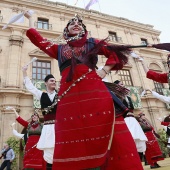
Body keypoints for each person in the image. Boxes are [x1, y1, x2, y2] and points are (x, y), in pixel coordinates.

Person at [24, 10, 131, 170]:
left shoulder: (92, 42)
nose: (76, 24)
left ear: (83, 29)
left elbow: (115, 52)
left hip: (94, 92)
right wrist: (31, 18)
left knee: (100, 129)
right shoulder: (59, 49)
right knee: (70, 134)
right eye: (72, 23)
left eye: (79, 24)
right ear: (66, 30)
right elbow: (39, 41)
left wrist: (105, 70)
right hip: (69, 97)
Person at [22, 66, 57, 170]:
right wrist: (24, 73)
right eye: (51, 81)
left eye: (55, 81)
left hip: (58, 127)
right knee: (48, 155)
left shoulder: (60, 94)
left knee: (59, 152)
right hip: (47, 128)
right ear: (45, 83)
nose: (54, 82)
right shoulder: (41, 95)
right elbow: (30, 87)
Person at [113, 80, 148, 161]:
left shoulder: (128, 97)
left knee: (138, 138)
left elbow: (132, 109)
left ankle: (138, 160)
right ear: (117, 86)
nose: (123, 85)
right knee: (129, 139)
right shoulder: (116, 97)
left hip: (132, 120)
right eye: (121, 84)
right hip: (124, 120)